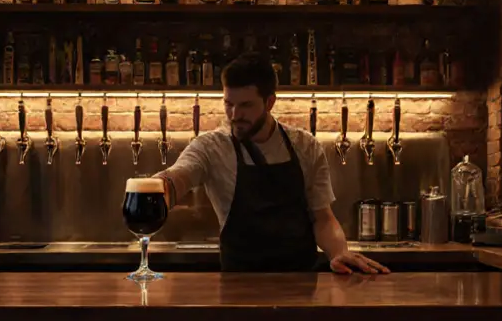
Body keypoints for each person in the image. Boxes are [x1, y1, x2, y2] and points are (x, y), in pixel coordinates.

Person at [155, 54, 388, 274]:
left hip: (302, 285)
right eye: (228, 104)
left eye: (246, 105)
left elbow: (322, 217)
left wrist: (339, 252)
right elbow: (180, 175)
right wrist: (157, 187)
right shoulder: (212, 147)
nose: (235, 114)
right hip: (237, 288)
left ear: (269, 102)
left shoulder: (305, 147)